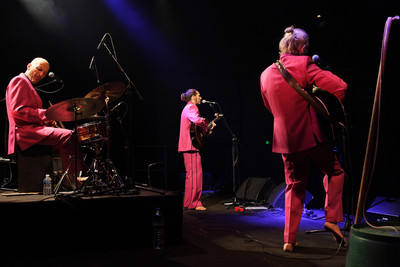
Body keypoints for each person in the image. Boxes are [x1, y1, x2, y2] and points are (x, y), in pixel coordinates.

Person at [260, 26, 348, 252]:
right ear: (300, 47)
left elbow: (270, 107)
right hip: (311, 135)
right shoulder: (305, 64)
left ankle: (289, 240)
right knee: (335, 171)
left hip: (285, 140)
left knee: (294, 186)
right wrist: (316, 90)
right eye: (305, 46)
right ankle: (332, 218)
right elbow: (340, 87)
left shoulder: (265, 74)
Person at [6, 57, 83, 187]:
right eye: (39, 69)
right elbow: (18, 112)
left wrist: (45, 123)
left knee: (69, 138)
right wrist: (47, 115)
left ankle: (69, 176)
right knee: (69, 135)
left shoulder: (27, 84)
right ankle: (69, 178)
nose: (41, 75)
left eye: (44, 73)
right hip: (24, 133)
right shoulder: (19, 81)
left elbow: (29, 113)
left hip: (31, 130)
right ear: (29, 66)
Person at [178, 89, 215, 211]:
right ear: (193, 96)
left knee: (191, 176)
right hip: (191, 146)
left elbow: (195, 126)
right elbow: (197, 120)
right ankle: (195, 203)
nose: (200, 97)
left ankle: (189, 202)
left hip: (188, 145)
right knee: (195, 176)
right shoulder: (192, 107)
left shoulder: (187, 107)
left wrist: (206, 128)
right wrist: (207, 126)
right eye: (199, 95)